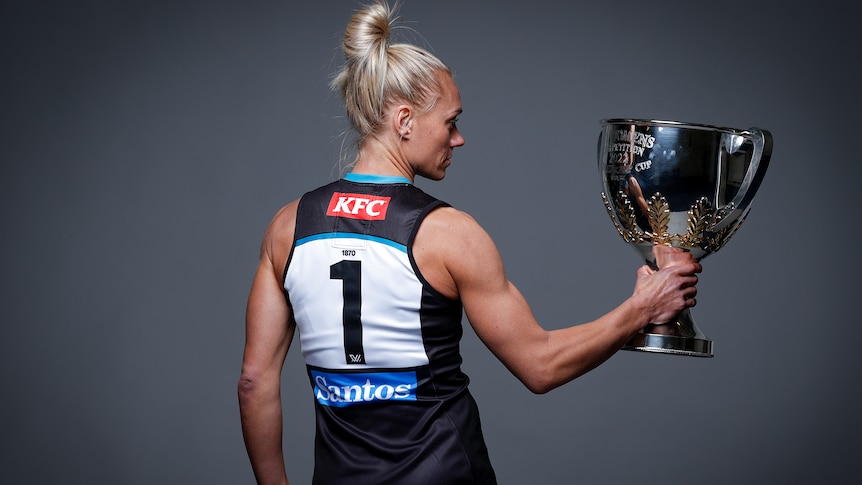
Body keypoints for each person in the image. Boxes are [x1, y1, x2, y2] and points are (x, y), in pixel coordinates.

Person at [238, 1, 701, 484]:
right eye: (450, 122)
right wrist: (641, 308)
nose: (458, 139)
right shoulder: (448, 233)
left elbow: (254, 382)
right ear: (404, 121)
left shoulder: (288, 226)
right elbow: (540, 366)